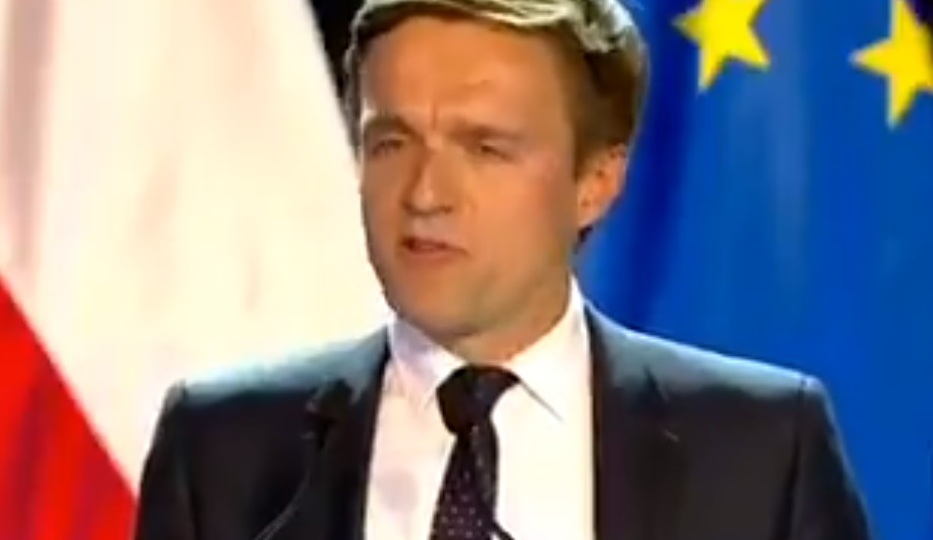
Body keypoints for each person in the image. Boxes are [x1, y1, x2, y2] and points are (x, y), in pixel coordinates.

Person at [133, 0, 873, 538]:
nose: (424, 194)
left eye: (485, 148)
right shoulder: (221, 448)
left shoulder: (762, 450)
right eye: (391, 143)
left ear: (596, 181)